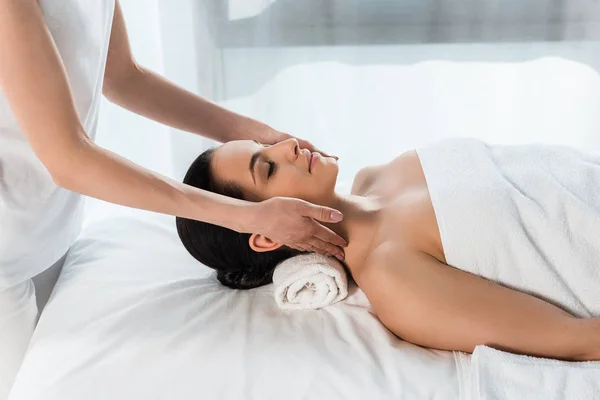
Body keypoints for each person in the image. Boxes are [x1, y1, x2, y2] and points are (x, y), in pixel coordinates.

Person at [0, 0, 345, 397]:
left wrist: (253, 134)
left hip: (50, 225)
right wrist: (245, 216)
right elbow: (69, 159)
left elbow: (124, 78)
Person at [176, 137, 600, 362]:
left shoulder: (381, 173)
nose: (287, 147)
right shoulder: (397, 283)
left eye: (264, 144)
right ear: (266, 236)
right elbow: (576, 341)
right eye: (267, 168)